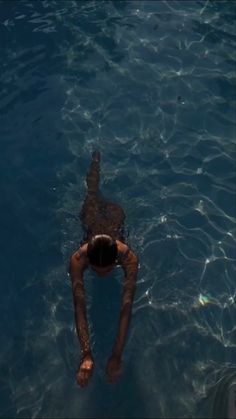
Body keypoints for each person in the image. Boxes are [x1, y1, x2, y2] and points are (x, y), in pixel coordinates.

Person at [69, 151, 138, 388]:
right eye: (96, 271)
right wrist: (85, 353)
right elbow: (79, 304)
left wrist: (117, 353)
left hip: (114, 218)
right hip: (92, 221)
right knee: (90, 196)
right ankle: (95, 160)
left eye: (105, 271)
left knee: (106, 206)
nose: (100, 276)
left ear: (116, 260)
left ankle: (98, 159)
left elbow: (126, 306)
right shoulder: (78, 259)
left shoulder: (128, 259)